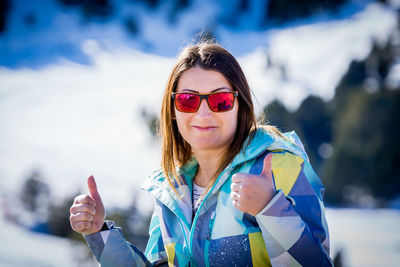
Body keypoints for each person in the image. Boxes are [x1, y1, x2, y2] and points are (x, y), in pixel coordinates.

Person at [69, 41, 333, 266]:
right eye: (188, 100)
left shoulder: (279, 166)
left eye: (220, 101)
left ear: (239, 106)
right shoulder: (171, 189)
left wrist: (270, 208)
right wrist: (99, 232)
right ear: (173, 109)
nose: (203, 114)